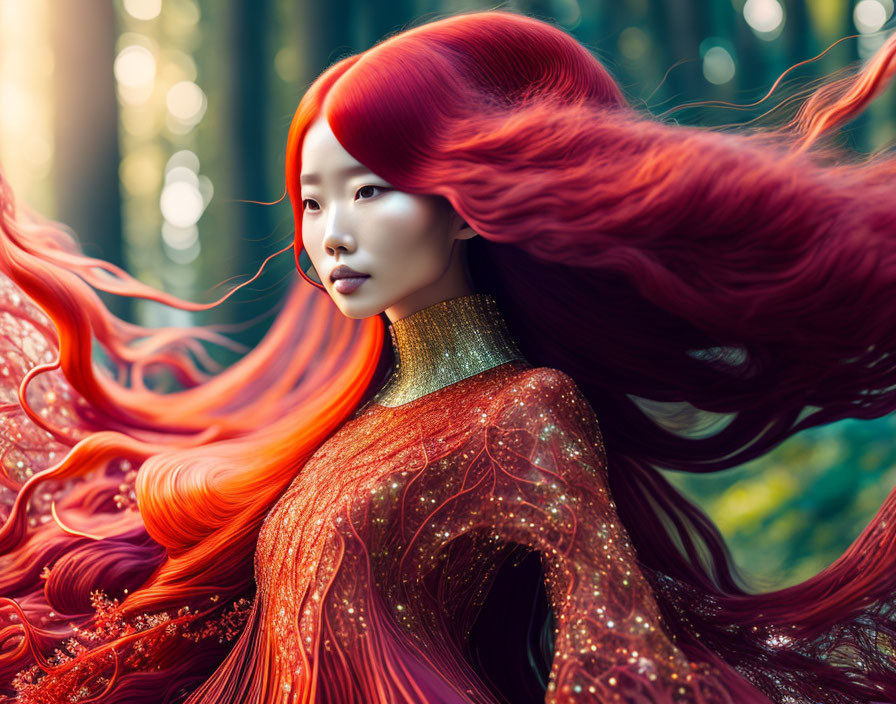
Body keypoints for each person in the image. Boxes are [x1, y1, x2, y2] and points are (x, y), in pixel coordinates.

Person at [1, 8, 896, 703]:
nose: (333, 235)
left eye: (370, 190)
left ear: (465, 205)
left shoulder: (526, 410)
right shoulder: (355, 416)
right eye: (314, 203)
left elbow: (619, 657)